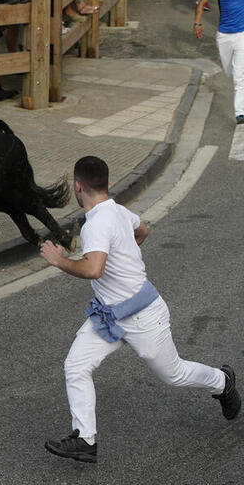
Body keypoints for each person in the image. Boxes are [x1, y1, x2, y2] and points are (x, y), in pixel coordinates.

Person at [39, 156, 240, 463]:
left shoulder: (96, 225)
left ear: (78, 187)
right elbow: (142, 230)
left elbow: (93, 269)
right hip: (109, 317)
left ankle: (223, 382)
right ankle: (85, 439)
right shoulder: (117, 211)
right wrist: (124, 257)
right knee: (76, 366)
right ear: (105, 184)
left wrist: (59, 261)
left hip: (144, 316)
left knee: (174, 374)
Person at [195, 0, 244, 124]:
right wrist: (197, 24)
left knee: (239, 76)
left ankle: (239, 112)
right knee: (229, 70)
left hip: (242, 35)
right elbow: (202, 2)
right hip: (224, 35)